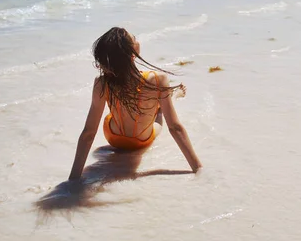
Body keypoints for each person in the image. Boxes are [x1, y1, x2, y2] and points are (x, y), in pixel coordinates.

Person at [68, 27, 202, 180]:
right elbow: (175, 127)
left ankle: (168, 97)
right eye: (135, 39)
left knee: (114, 111)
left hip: (113, 137)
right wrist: (197, 167)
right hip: (142, 140)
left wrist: (73, 178)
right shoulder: (158, 79)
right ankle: (173, 96)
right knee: (158, 113)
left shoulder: (102, 83)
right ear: (134, 51)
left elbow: (88, 133)